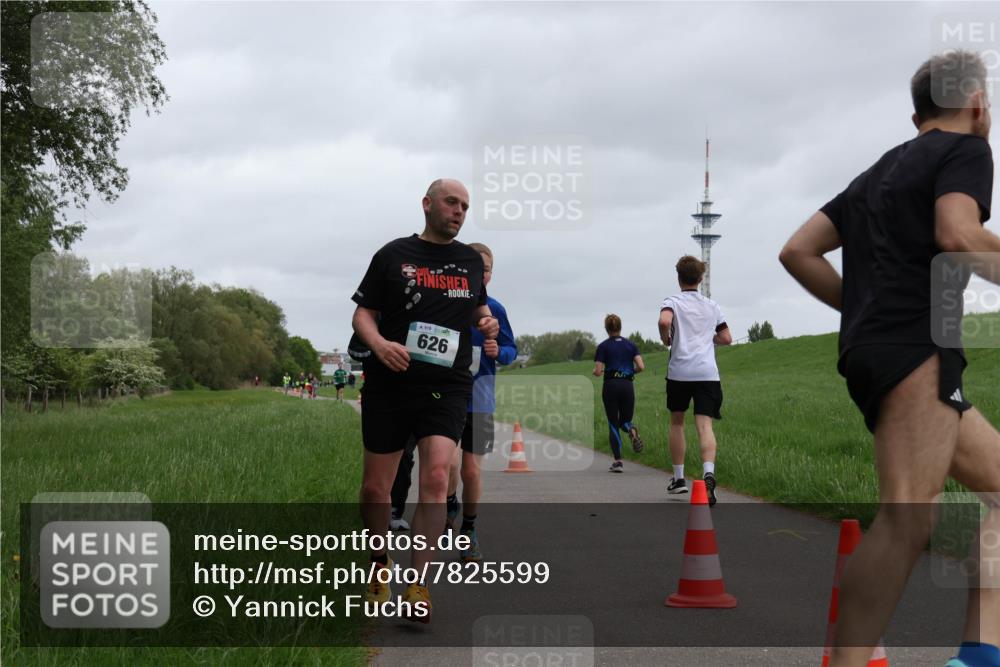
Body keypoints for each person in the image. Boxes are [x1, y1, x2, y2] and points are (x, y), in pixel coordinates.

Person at [779, 51, 999, 667]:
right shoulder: (968, 150)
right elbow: (958, 233)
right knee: (908, 519)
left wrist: (864, 308)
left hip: (883, 349)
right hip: (916, 348)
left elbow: (799, 251)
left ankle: (981, 655)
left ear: (916, 114)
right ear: (977, 103)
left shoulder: (878, 171)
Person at [351, 178, 499, 623]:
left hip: (449, 385)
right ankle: (379, 567)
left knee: (437, 476)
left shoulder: (469, 261)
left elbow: (477, 307)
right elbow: (363, 314)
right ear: (428, 204)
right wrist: (378, 345)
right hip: (391, 382)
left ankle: (418, 584)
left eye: (466, 207)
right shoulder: (392, 255)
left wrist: (487, 321)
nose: (459, 211)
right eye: (452, 202)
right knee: (377, 487)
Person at [443, 242, 517, 561]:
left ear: (490, 275)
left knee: (471, 471)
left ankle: (469, 528)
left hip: (481, 399)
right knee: (447, 464)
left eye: (484, 269)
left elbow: (511, 350)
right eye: (473, 267)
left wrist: (497, 352)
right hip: (446, 396)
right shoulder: (445, 304)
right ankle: (449, 505)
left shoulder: (496, 309)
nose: (479, 273)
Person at [657, 255, 731, 506]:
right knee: (705, 425)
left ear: (678, 278)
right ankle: (708, 473)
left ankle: (679, 479)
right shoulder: (712, 306)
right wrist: (709, 339)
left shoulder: (672, 302)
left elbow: (664, 320)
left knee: (677, 422)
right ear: (700, 279)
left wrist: (666, 338)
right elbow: (727, 337)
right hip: (707, 373)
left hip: (680, 371)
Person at [593, 314, 644, 472]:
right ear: (620, 327)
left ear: (607, 329)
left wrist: (595, 372)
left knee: (613, 424)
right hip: (627, 385)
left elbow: (598, 371)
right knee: (625, 421)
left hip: (611, 386)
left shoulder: (603, 346)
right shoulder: (631, 345)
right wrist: (630, 372)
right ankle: (631, 430)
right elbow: (641, 366)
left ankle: (618, 461)